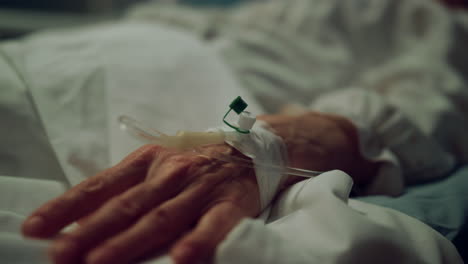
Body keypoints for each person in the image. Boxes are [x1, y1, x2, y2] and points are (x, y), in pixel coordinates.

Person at [12, 0, 468, 263]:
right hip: (63, 56)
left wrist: (255, 148)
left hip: (147, 90)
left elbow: (426, 112)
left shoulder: (439, 26)